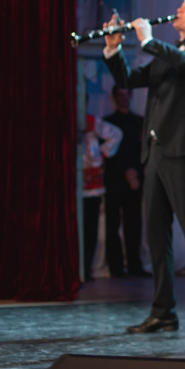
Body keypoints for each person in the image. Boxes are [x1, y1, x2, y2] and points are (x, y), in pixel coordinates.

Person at [102, 0, 185, 338]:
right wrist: (113, 48)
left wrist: (148, 40)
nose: (178, 10)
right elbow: (128, 78)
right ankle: (163, 313)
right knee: (156, 236)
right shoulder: (169, 53)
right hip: (156, 151)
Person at [103, 87, 149, 277]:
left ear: (130, 95)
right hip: (115, 180)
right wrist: (126, 172)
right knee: (113, 224)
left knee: (134, 224)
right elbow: (108, 154)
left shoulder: (139, 121)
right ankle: (115, 267)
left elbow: (144, 151)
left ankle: (134, 265)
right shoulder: (107, 123)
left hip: (135, 181)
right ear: (114, 97)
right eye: (120, 94)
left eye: (126, 94)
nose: (123, 98)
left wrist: (135, 172)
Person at [81, 112, 121, 282]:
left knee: (90, 229)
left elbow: (116, 134)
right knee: (78, 228)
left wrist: (100, 153)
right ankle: (77, 268)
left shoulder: (90, 121)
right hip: (76, 185)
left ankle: (86, 268)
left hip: (92, 187)